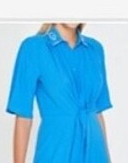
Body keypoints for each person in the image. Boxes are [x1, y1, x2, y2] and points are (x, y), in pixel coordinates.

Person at [6, 23, 113, 162]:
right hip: (57, 149)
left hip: (95, 151)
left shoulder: (95, 49)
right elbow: (23, 115)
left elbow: (98, 111)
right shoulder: (34, 48)